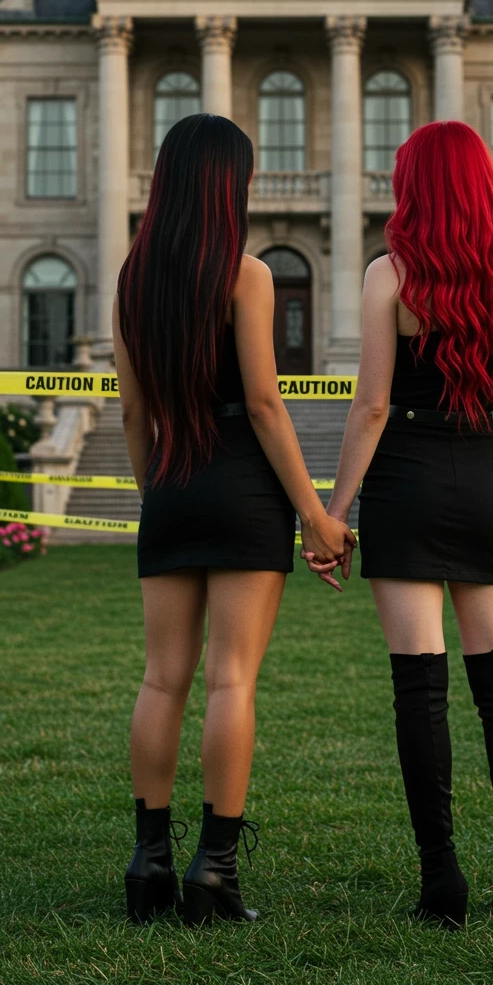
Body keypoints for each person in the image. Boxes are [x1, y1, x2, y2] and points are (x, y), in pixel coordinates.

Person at [304, 120, 493, 930]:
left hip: (407, 480)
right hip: (481, 474)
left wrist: (333, 514)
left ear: (414, 186)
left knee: (422, 688)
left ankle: (441, 881)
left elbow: (372, 405)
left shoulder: (390, 275)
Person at [113, 113, 354, 928]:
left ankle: (146, 865)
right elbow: (261, 403)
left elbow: (134, 414)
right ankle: (213, 872)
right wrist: (316, 513)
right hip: (241, 485)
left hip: (173, 482)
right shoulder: (245, 275)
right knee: (231, 679)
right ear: (230, 186)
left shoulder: (131, 279)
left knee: (160, 679)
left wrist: (159, 499)